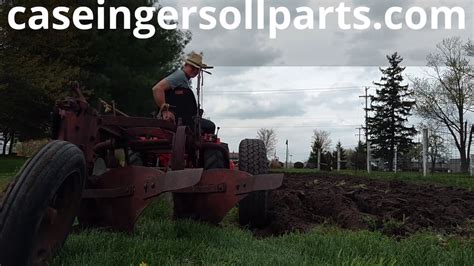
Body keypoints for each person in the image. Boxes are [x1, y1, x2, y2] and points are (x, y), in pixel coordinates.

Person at [152, 52, 216, 134]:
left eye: (197, 69)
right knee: (210, 126)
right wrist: (165, 111)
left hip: (185, 118)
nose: (195, 71)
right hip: (182, 120)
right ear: (186, 65)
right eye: (192, 67)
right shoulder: (180, 75)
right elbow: (157, 89)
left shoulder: (184, 79)